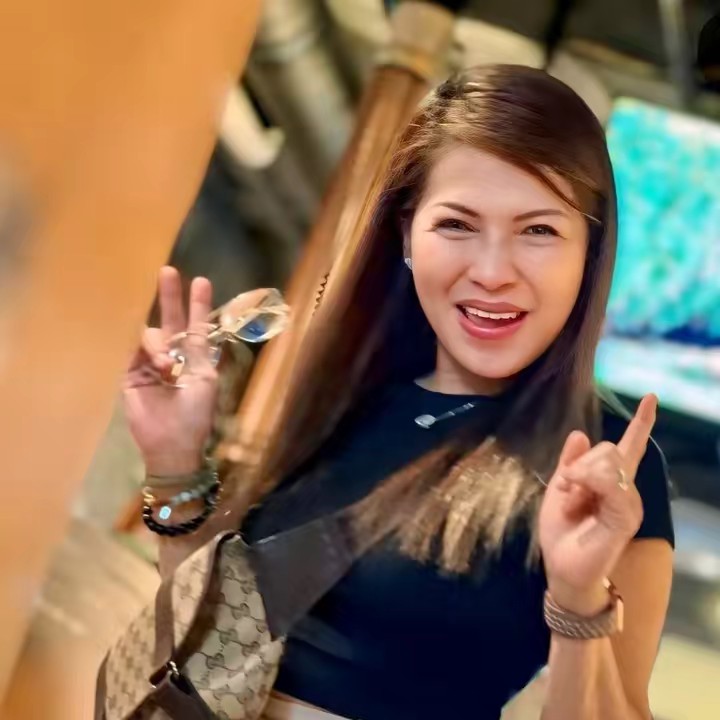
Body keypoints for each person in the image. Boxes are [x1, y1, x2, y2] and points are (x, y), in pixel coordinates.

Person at [125, 65, 674, 720]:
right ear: (407, 234)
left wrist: (578, 601)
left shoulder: (605, 463)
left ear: (590, 253)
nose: (492, 272)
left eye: (538, 231)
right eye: (457, 225)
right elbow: (210, 648)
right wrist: (174, 462)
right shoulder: (350, 392)